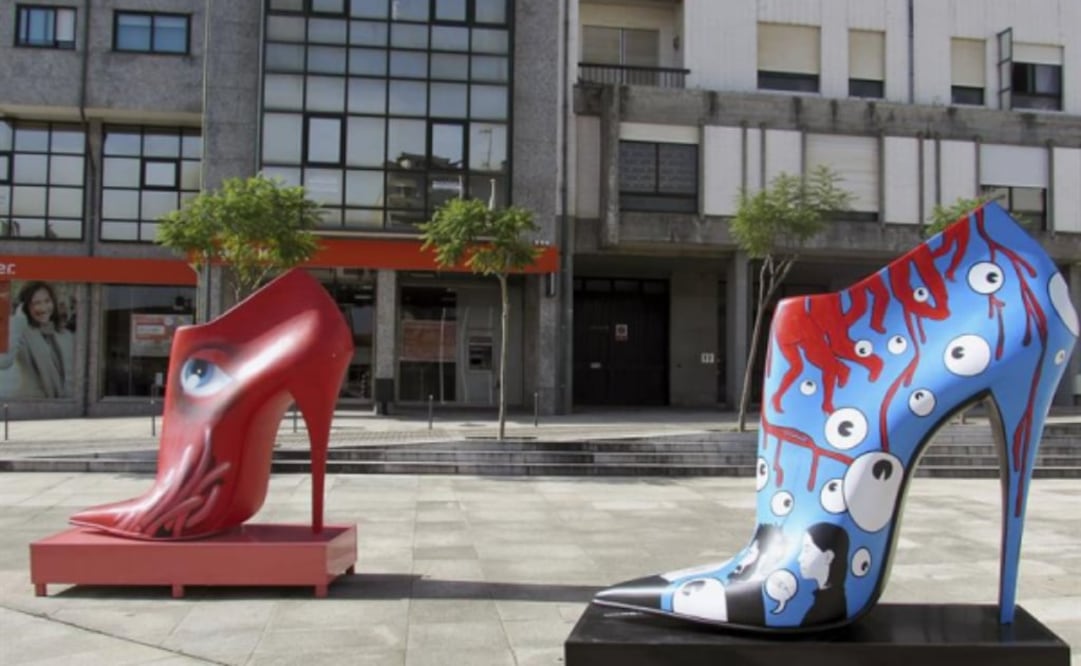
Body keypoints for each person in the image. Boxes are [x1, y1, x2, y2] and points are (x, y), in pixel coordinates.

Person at [0, 282, 74, 399]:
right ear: (25, 307)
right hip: (30, 406)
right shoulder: (21, 332)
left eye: (47, 301)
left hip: (61, 407)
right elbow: (3, 362)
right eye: (36, 303)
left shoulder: (64, 334)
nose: (44, 308)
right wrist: (17, 322)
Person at [798, 523, 849, 627]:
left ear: (828, 557)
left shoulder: (824, 609)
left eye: (807, 549)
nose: (799, 558)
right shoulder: (829, 601)